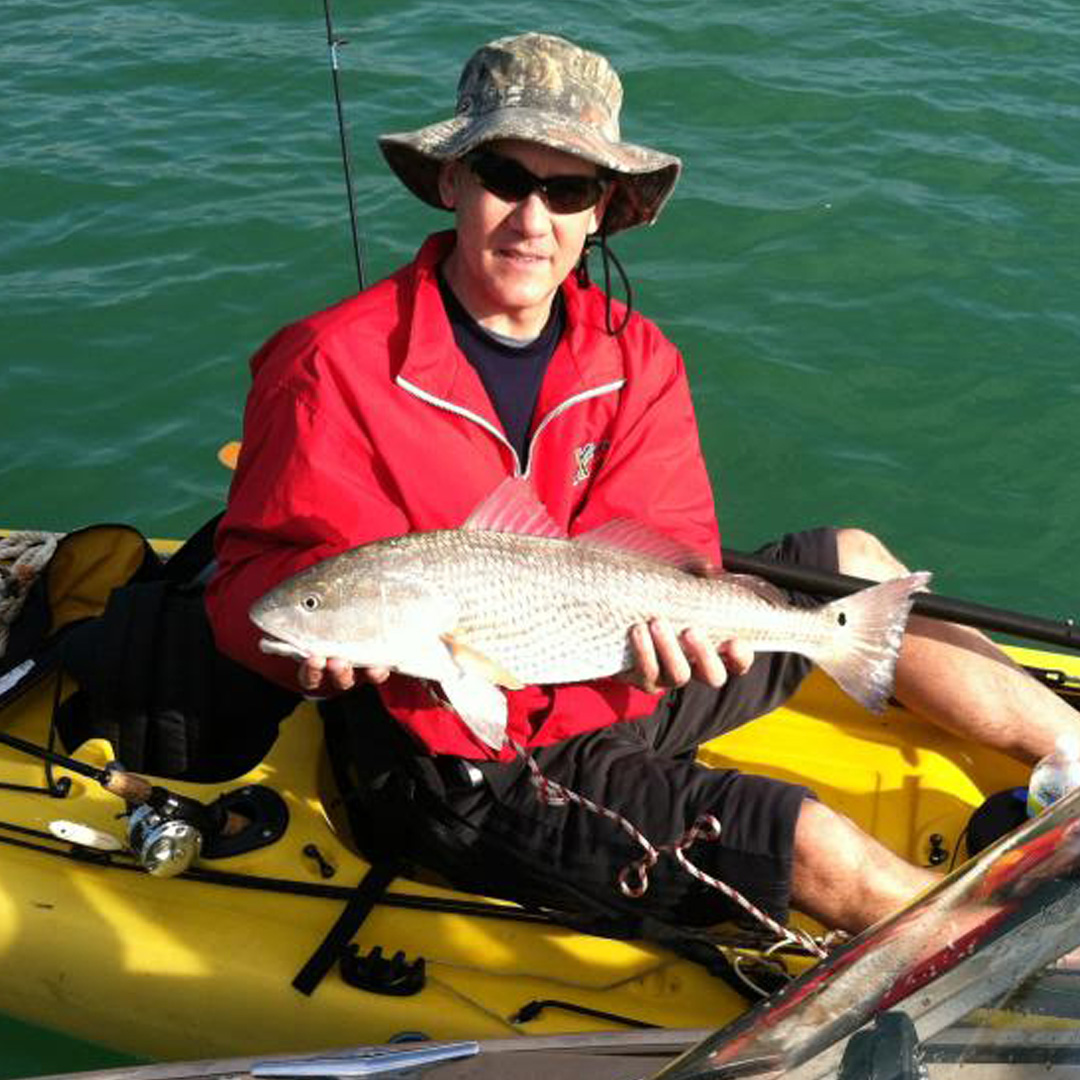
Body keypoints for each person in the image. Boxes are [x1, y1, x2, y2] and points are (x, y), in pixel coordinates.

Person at [206, 31, 1080, 938]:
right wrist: (298, 654)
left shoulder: (638, 355)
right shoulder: (327, 363)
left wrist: (693, 621)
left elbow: (673, 549)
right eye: (507, 177)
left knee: (853, 564)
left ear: (601, 212)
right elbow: (248, 586)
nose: (532, 220)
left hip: (624, 667)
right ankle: (1038, 972)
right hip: (476, 754)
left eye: (569, 189)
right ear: (452, 181)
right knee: (818, 846)